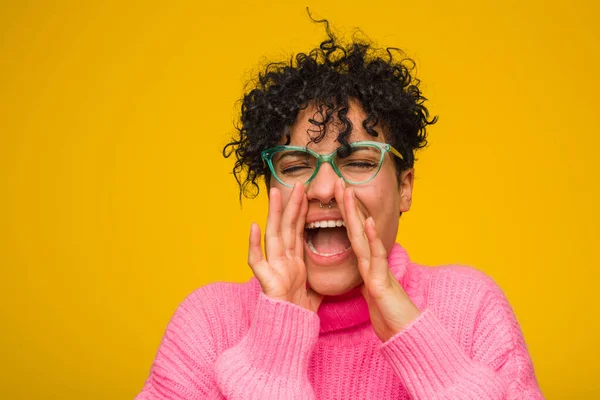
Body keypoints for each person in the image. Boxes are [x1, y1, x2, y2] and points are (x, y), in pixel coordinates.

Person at [136, 19, 544, 399]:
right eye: (295, 166)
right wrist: (274, 354)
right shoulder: (208, 324)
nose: (324, 188)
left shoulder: (471, 308)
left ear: (404, 188)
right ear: (270, 188)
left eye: (360, 162)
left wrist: (419, 342)